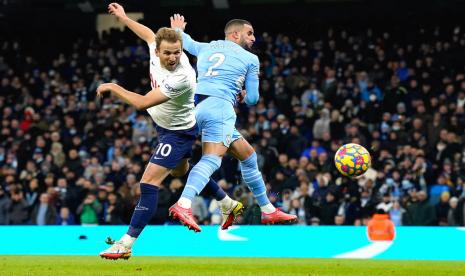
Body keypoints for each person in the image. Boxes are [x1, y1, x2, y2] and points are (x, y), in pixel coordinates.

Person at [98, 3, 242, 260]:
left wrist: (112, 86)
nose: (173, 57)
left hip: (177, 132)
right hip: (165, 126)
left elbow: (142, 103)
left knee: (148, 182)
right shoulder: (155, 47)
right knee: (182, 172)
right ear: (158, 50)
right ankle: (226, 202)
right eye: (168, 53)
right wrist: (122, 17)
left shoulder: (183, 77)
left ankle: (127, 243)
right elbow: (146, 33)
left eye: (177, 52)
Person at [168, 14, 297, 232]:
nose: (254, 38)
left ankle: (267, 209)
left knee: (248, 156)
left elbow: (186, 43)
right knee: (211, 159)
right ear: (235, 35)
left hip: (196, 107)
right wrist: (244, 93)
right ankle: (184, 203)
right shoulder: (251, 59)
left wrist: (179, 30)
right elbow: (254, 99)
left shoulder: (207, 48)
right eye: (250, 33)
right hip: (220, 109)